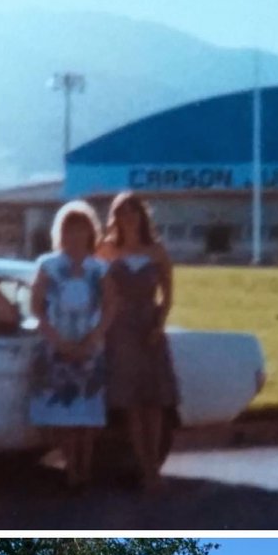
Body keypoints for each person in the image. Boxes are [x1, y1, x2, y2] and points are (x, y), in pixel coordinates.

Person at [96, 191, 178, 491]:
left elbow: (168, 293)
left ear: (142, 215)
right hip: (119, 330)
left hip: (149, 327)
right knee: (131, 403)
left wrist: (159, 322)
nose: (127, 217)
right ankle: (144, 467)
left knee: (153, 402)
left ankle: (154, 467)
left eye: (133, 211)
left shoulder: (156, 251)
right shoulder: (105, 250)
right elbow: (95, 286)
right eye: (121, 212)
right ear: (114, 217)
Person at [28, 201, 110, 488]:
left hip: (90, 348)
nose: (75, 235)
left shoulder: (99, 268)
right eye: (69, 230)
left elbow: (110, 308)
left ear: (91, 232)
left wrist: (92, 339)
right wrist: (58, 340)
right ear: (60, 233)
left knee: (86, 415)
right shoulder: (47, 265)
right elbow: (36, 307)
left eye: (81, 229)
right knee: (62, 414)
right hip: (55, 348)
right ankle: (69, 467)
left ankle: (83, 469)